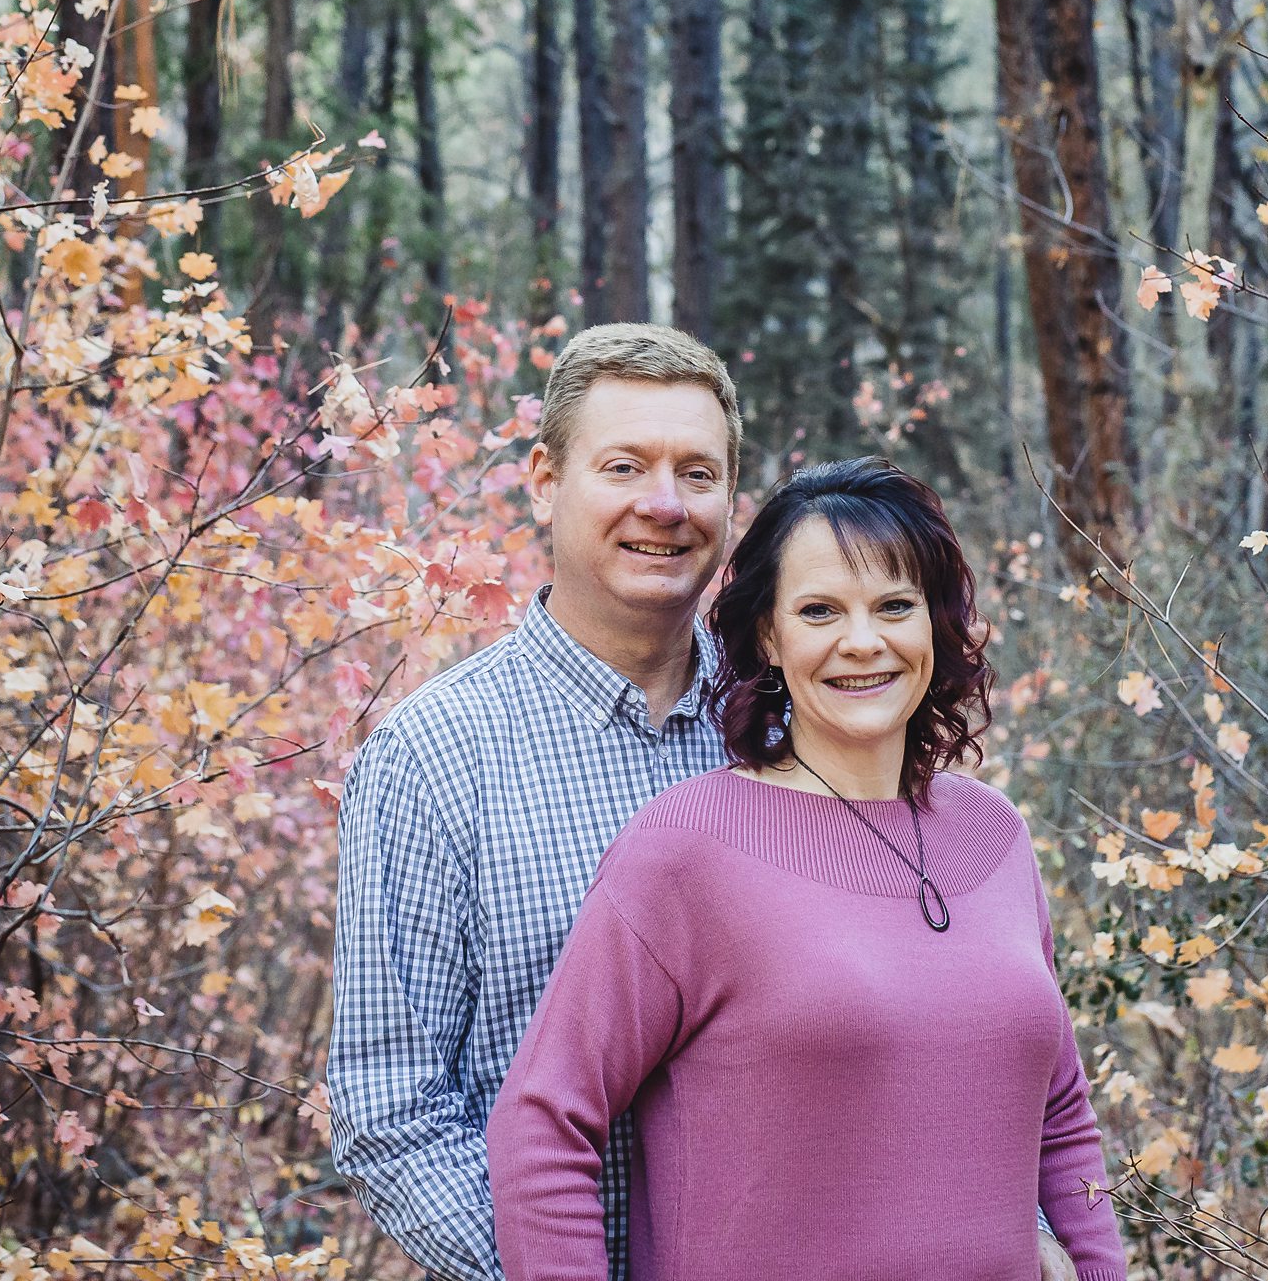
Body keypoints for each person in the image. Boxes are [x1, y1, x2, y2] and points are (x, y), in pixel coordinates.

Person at [486, 458, 1128, 1281]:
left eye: (894, 606)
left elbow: (1063, 1120)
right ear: (768, 635)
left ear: (935, 623)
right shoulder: (687, 849)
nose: (862, 641)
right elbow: (543, 1120)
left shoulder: (993, 833)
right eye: (820, 610)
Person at [328, 323, 741, 1281]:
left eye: (698, 473)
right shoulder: (434, 757)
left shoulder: (789, 731)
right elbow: (392, 1112)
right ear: (545, 480)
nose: (664, 505)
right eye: (625, 465)